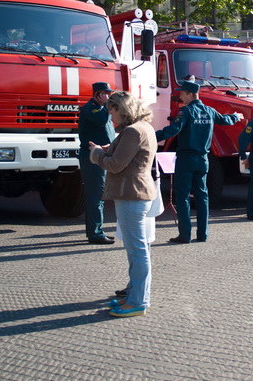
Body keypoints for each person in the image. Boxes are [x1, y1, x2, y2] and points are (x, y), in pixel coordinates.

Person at [88, 91, 157, 317]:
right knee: (137, 248)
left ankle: (137, 301)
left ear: (122, 109)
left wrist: (97, 154)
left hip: (131, 194)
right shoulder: (143, 127)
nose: (111, 116)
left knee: (136, 249)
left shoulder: (132, 131)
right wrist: (109, 149)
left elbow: (116, 165)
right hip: (136, 193)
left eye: (112, 110)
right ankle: (134, 295)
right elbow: (129, 157)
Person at [155, 81, 243, 243]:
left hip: (186, 159)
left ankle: (185, 235)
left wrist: (152, 136)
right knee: (202, 196)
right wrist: (236, 116)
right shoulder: (209, 111)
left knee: (182, 197)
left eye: (182, 93)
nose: (180, 96)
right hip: (203, 159)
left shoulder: (186, 112)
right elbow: (225, 120)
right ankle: (203, 234)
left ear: (190, 94)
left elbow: (174, 129)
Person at [78, 82, 116, 245]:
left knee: (100, 194)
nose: (108, 97)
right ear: (98, 94)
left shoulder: (101, 109)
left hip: (101, 155)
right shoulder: (91, 108)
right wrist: (106, 106)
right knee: (96, 195)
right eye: (106, 94)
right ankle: (95, 233)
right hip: (92, 157)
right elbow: (101, 122)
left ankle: (97, 229)